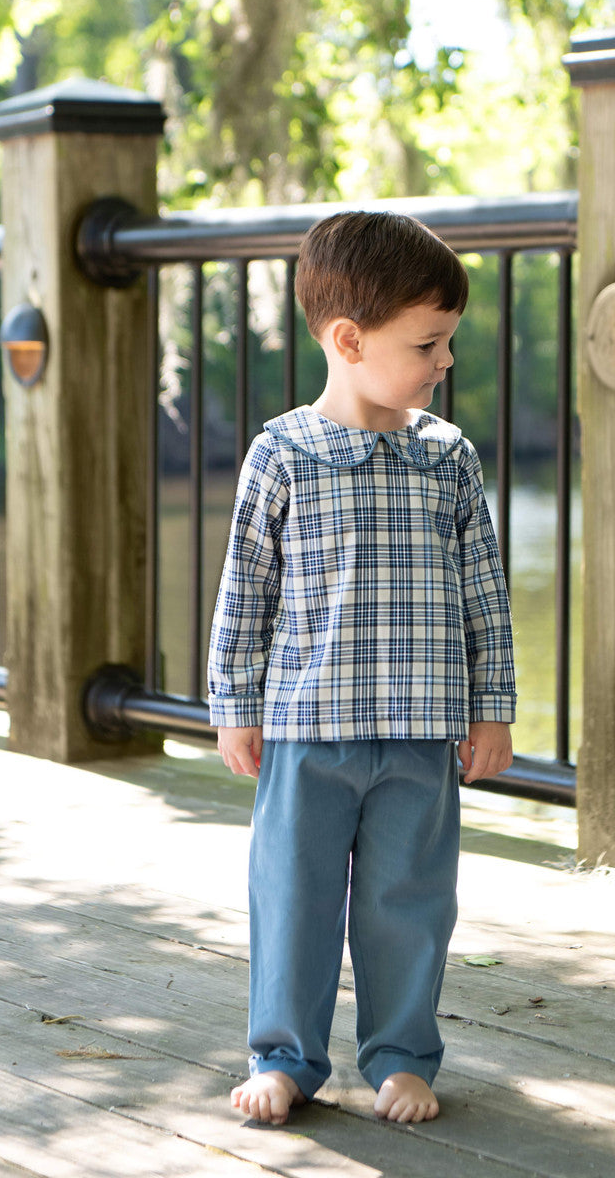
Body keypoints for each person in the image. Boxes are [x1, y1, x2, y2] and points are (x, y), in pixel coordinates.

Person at [207, 210, 516, 1128]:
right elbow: (244, 594)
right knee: (294, 899)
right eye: (428, 343)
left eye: (448, 341)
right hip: (308, 732)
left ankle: (400, 1056)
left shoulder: (447, 460)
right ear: (348, 340)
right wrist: (235, 706)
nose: (443, 361)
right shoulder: (283, 455)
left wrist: (490, 711)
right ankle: (285, 1055)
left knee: (408, 904)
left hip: (421, 739)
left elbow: (485, 598)